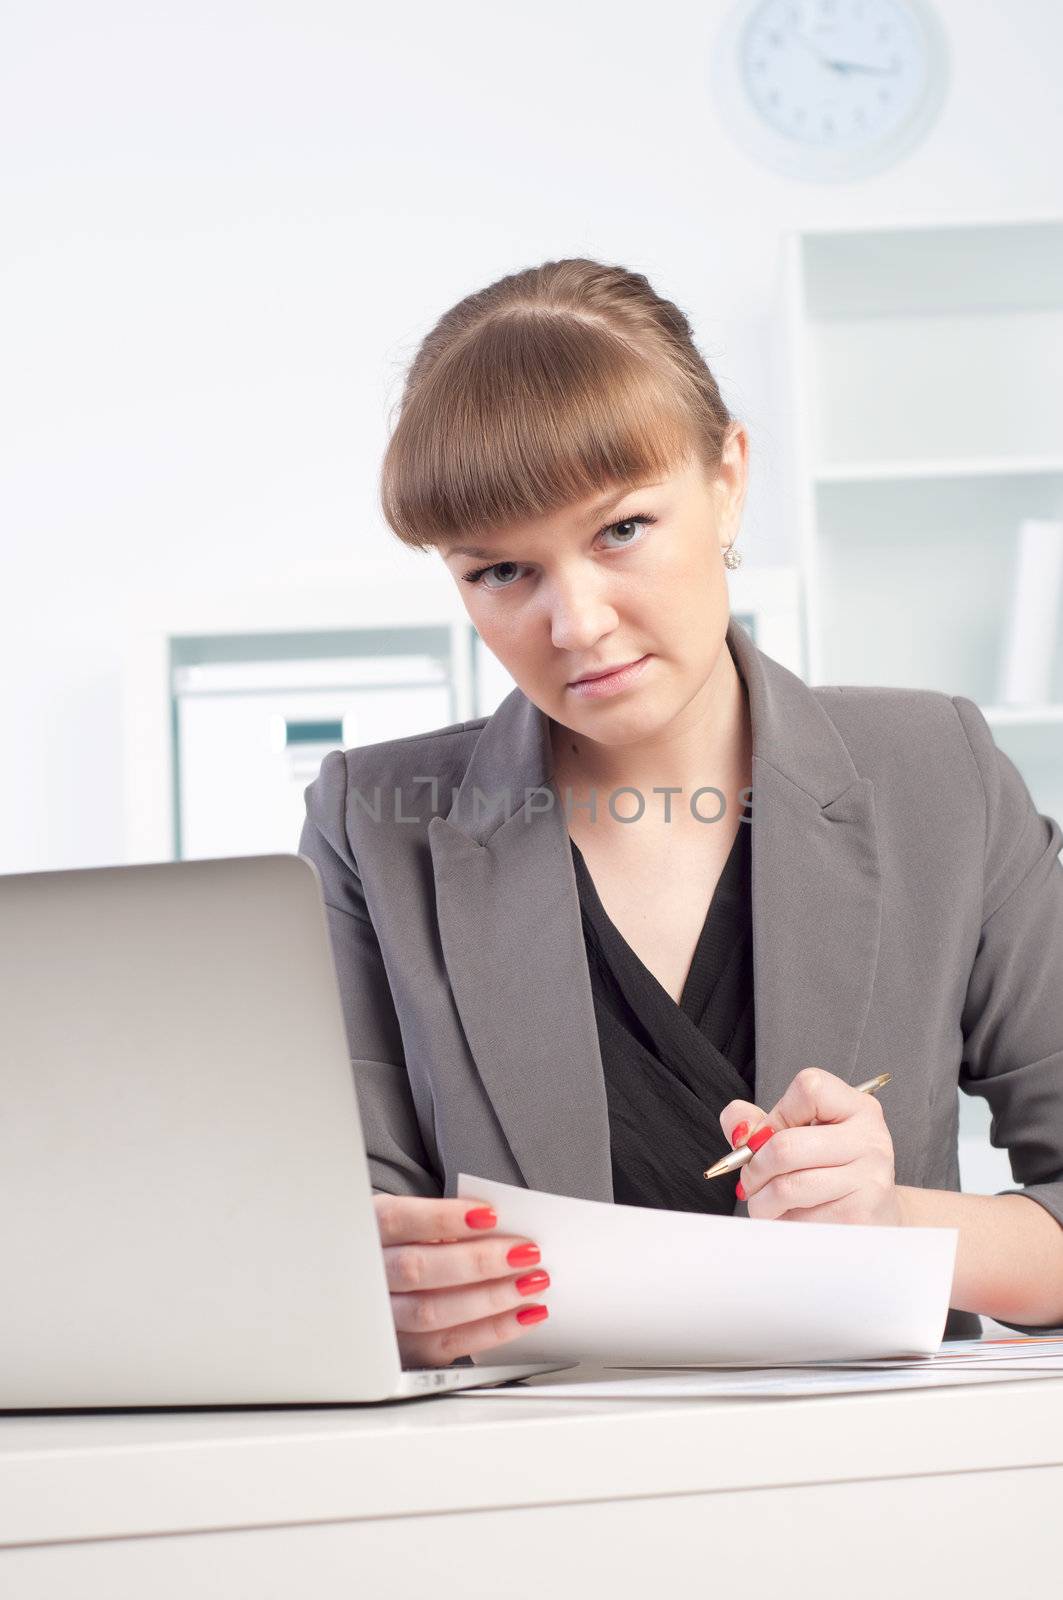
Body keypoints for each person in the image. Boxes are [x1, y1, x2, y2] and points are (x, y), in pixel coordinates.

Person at [299, 257, 1063, 1369]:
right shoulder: (374, 825)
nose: (577, 623)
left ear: (728, 478)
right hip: (514, 1498)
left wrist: (896, 1224)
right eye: (502, 572)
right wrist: (366, 1294)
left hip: (886, 1495)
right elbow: (330, 1240)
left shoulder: (934, 774)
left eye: (620, 531)